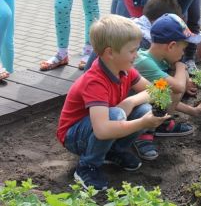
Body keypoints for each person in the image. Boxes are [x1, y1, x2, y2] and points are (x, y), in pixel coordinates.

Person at [57, 15, 169, 191]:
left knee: (143, 109)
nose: (137, 55)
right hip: (74, 136)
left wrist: (130, 101)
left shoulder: (124, 70)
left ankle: (114, 150)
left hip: (97, 128)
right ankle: (87, 166)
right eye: (132, 51)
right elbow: (102, 130)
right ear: (110, 53)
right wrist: (142, 123)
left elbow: (153, 91)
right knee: (116, 114)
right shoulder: (95, 81)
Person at [134, 13, 201, 160]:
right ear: (171, 46)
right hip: (133, 111)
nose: (183, 54)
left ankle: (161, 123)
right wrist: (181, 67)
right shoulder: (144, 62)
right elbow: (177, 88)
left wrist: (192, 111)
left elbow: (165, 96)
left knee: (175, 80)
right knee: (177, 80)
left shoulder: (161, 60)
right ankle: (142, 135)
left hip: (147, 103)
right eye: (183, 49)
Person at [84, 0, 183, 70]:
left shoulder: (131, 23)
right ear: (160, 21)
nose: (136, 55)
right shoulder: (143, 40)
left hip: (90, 73)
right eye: (132, 51)